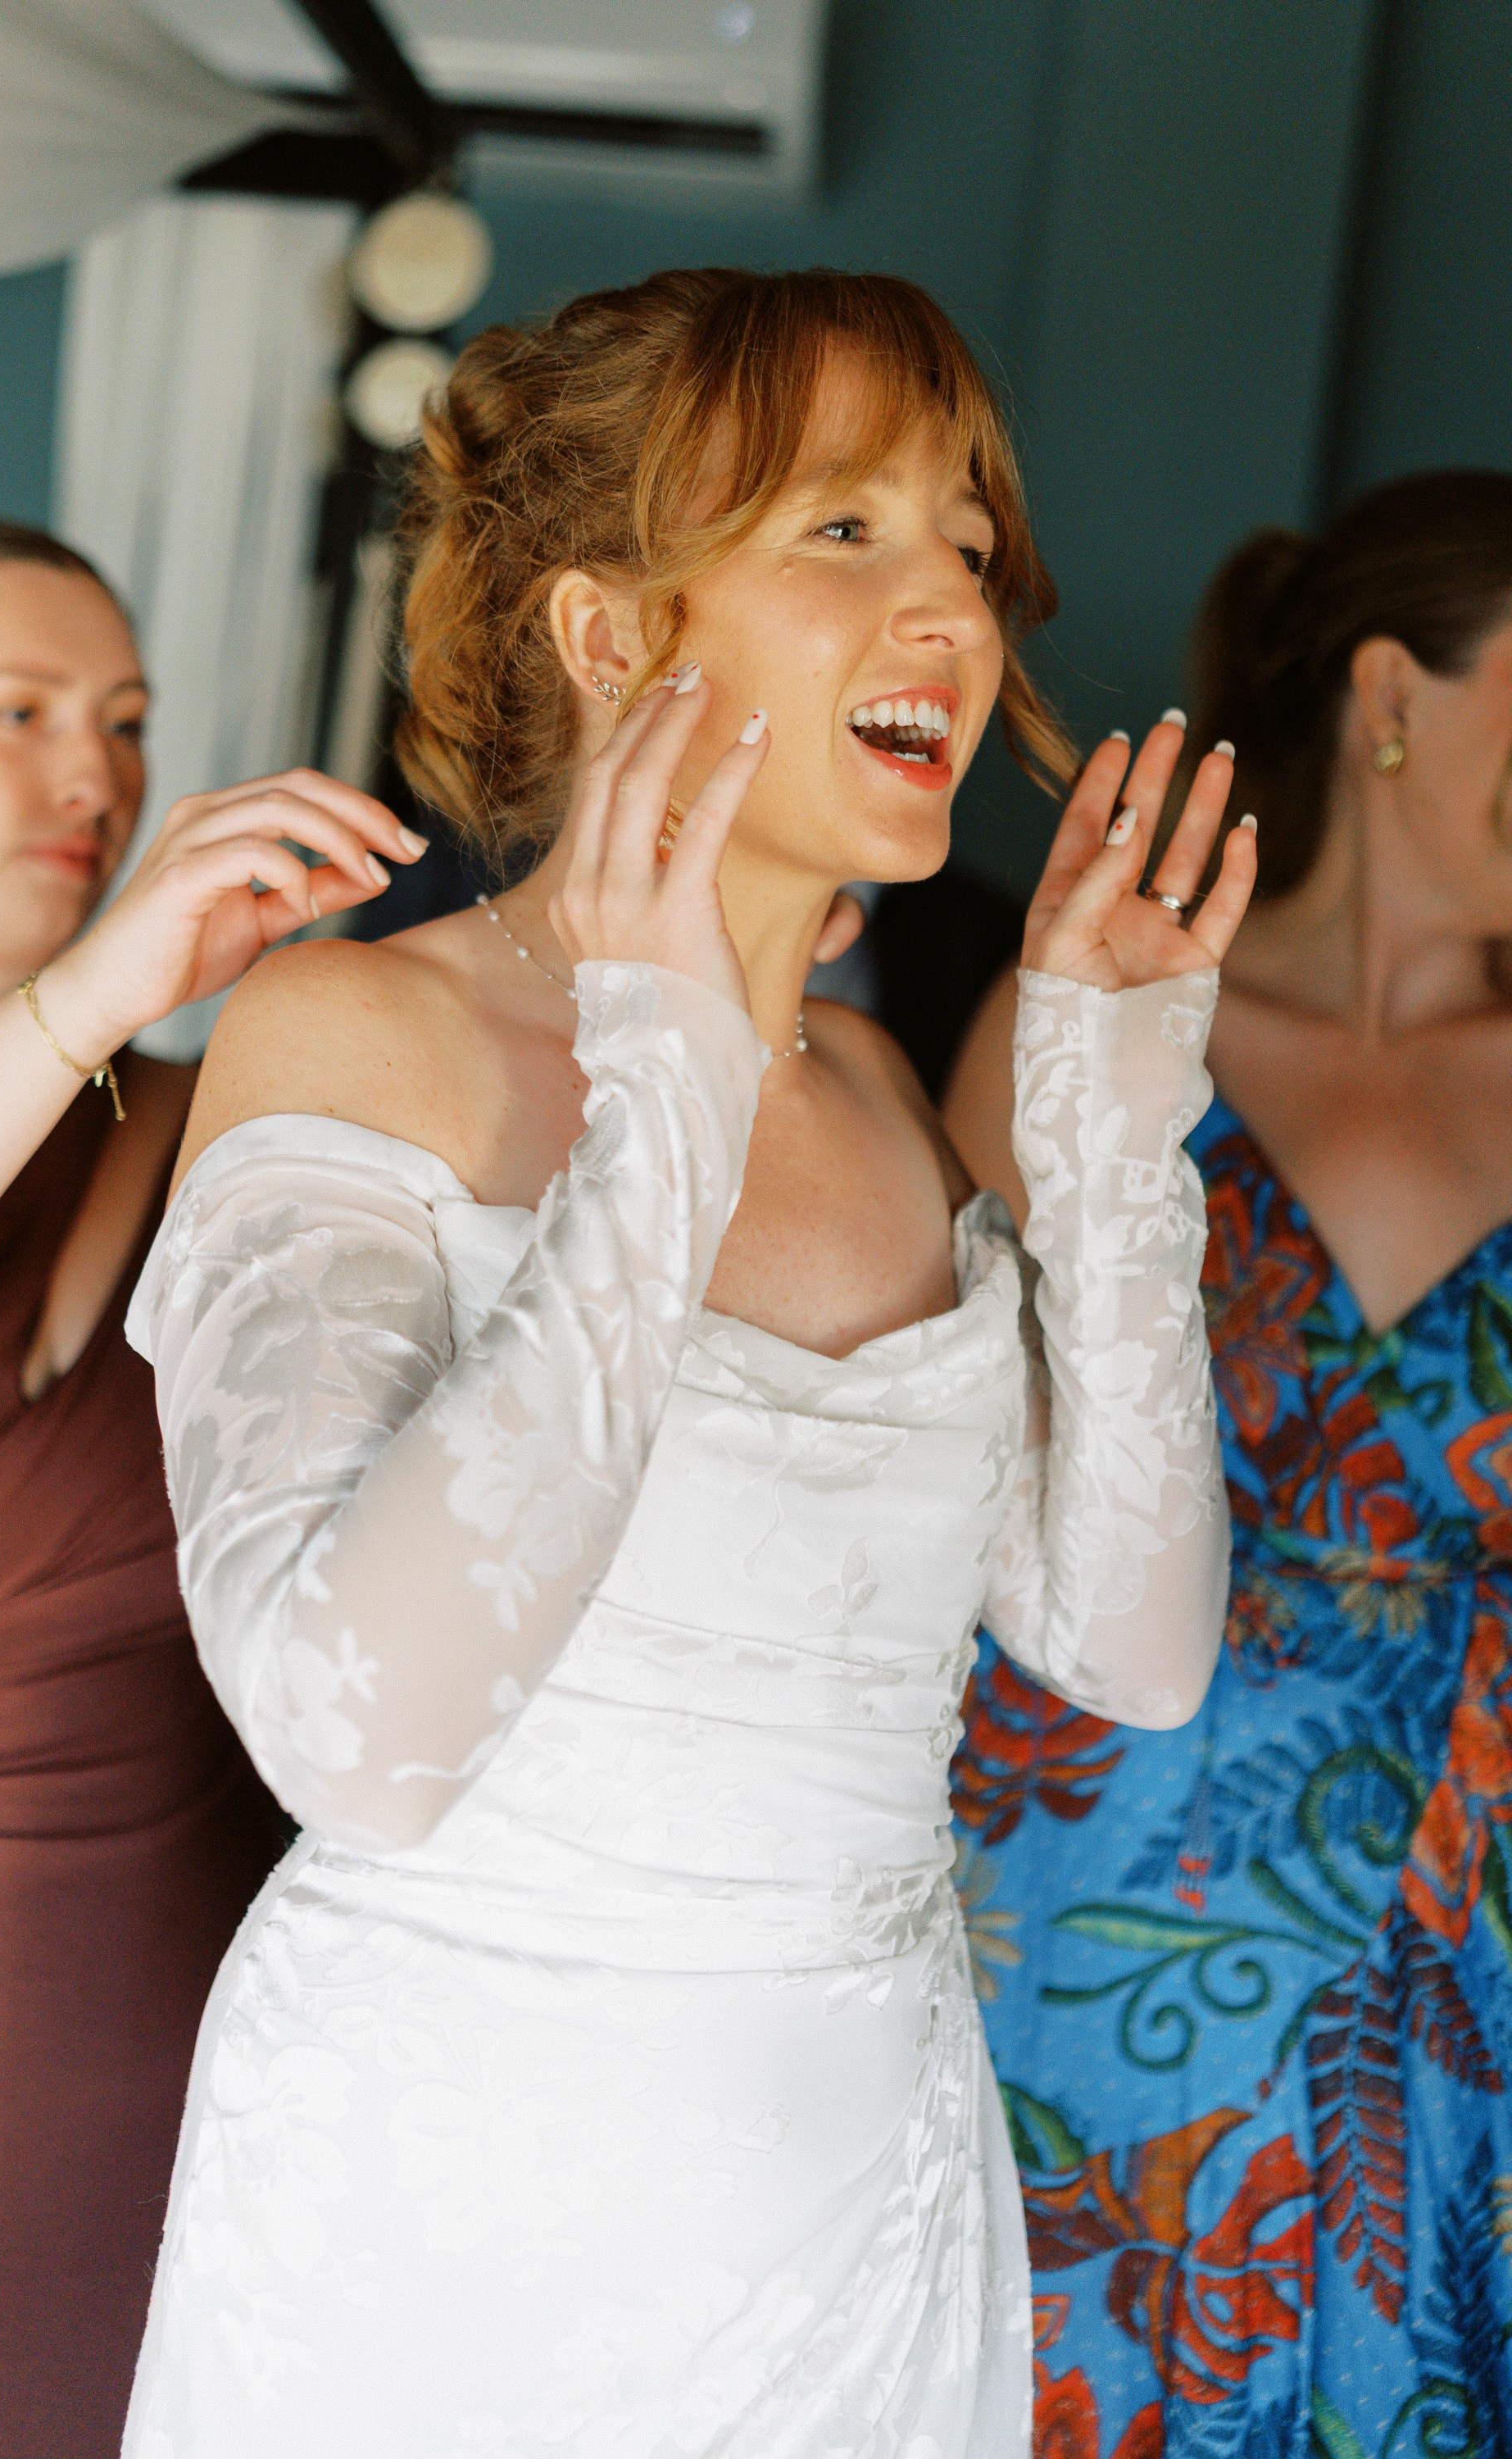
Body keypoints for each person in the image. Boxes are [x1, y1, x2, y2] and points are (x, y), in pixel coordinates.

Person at [120, 267, 1254, 2458]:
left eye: (962, 532)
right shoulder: (362, 1042)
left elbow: (1133, 1653)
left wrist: (1114, 1156)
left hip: (862, 2221)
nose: (951, 597)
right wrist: (660, 1091)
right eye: (846, 530)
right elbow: (359, 1745)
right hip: (439, 2238)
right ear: (612, 632)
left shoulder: (891, 1112)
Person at [945, 470, 1512, 2458]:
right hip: (1076, 1885)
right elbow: (939, 1480)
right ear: (1391, 692)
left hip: (1470, 1959)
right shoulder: (1084, 1021)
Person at [0, 515, 426, 2457]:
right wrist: (109, 985)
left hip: (196, 2081)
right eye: (14, 711)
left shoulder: (223, 1119)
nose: (93, 772)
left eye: (122, 720)